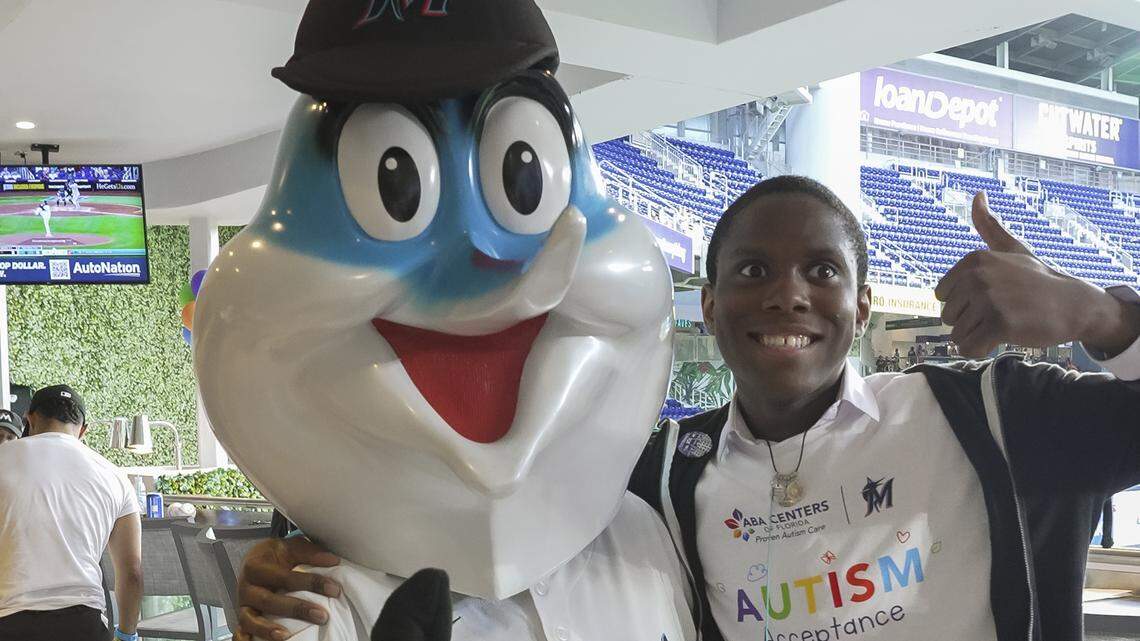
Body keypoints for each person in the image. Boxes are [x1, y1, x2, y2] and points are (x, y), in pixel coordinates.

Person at [237, 176, 1140, 641]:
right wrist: (299, 549)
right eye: (752, 271)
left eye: (823, 271)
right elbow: (481, 526)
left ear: (862, 307)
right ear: (706, 307)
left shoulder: (987, 414)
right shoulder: (661, 474)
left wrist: (1101, 315)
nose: (788, 294)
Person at [0, 385, 144, 641]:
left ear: (29, 419)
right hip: (84, 624)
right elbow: (132, 572)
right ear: (83, 429)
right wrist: (127, 635)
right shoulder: (115, 477)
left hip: (9, 620)